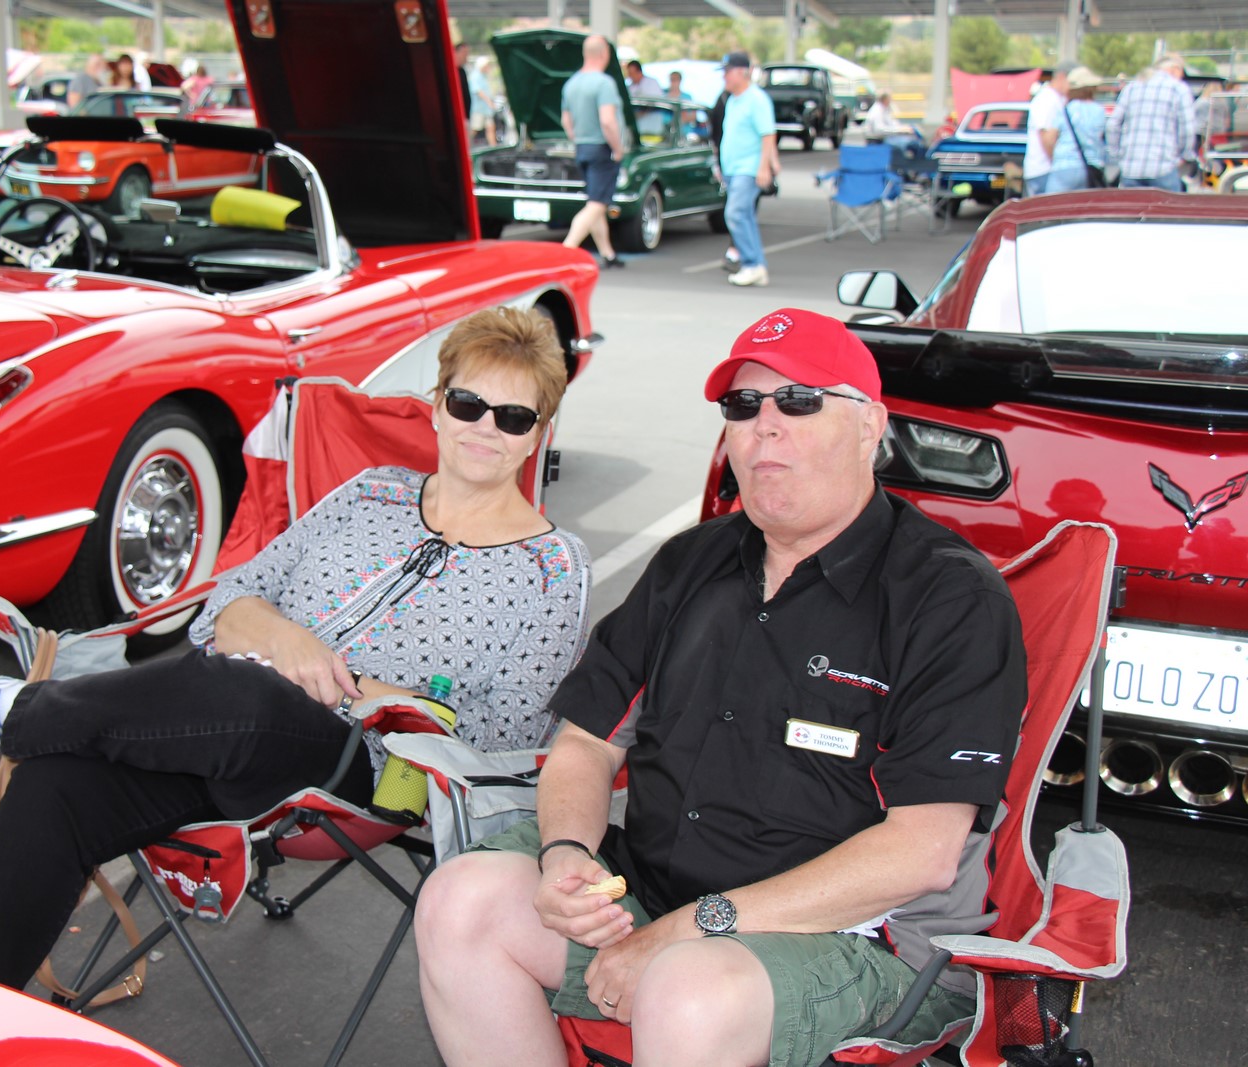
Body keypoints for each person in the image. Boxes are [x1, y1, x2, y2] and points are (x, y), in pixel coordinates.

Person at [0, 307, 593, 990]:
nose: (484, 428)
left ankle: (6, 709)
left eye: (513, 416)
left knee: (250, 692)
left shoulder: (551, 569)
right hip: (213, 730)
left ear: (539, 433)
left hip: (365, 771)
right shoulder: (372, 493)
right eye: (467, 403)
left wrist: (360, 691)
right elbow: (226, 602)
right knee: (56, 787)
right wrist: (283, 637)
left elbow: (509, 742)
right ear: (436, 406)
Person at [416, 307, 1027, 1067]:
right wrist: (567, 854)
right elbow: (585, 741)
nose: (764, 426)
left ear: (870, 426)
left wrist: (692, 927)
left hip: (859, 937)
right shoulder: (690, 563)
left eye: (799, 400)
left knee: (687, 990)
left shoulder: (949, 600)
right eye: (743, 405)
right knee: (462, 904)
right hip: (654, 895)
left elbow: (921, 854)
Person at [560, 35, 626, 269]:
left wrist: (577, 138)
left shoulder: (571, 83)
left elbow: (566, 121)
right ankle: (566, 250)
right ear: (604, 54)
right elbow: (608, 121)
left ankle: (608, 253)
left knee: (596, 202)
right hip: (602, 149)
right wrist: (618, 148)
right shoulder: (604, 83)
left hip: (582, 148)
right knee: (596, 204)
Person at [718, 52, 780, 288]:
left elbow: (768, 134)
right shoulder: (733, 100)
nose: (724, 77)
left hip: (748, 168)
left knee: (735, 214)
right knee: (744, 216)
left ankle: (752, 263)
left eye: (727, 72)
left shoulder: (756, 99)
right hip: (733, 169)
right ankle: (756, 266)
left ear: (742, 72)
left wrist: (765, 167)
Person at [1107, 54, 1197, 192]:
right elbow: (1187, 130)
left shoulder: (1131, 88)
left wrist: (1117, 154)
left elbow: (1112, 125)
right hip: (1164, 167)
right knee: (1168, 206)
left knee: (1131, 205)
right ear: (1175, 70)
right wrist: (1185, 156)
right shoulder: (1179, 89)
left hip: (1131, 169)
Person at [1044, 67, 1108, 194]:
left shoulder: (1066, 110)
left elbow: (1050, 139)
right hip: (1091, 168)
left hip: (1065, 166)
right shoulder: (1099, 111)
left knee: (1053, 203)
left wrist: (1053, 158)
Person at [1024, 67, 1069, 196]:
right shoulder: (1048, 99)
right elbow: (1046, 137)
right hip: (1044, 170)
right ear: (1061, 77)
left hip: (1044, 170)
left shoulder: (1053, 98)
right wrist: (1057, 165)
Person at [469, 56, 496, 146]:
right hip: (479, 108)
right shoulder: (475, 76)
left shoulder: (484, 76)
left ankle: (493, 146)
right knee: (475, 129)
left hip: (486, 109)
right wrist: (489, 102)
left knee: (490, 127)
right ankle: (465, 144)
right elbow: (478, 91)